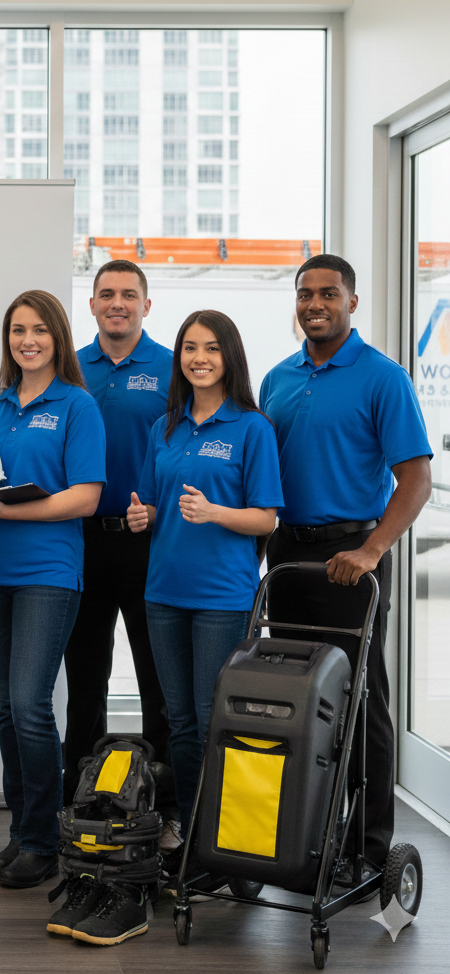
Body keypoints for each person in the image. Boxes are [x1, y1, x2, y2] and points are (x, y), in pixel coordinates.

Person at [259, 254, 431, 876]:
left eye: (328, 293)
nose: (314, 304)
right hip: (288, 559)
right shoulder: (278, 378)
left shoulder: (383, 378)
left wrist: (372, 550)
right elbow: (262, 480)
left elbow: (415, 479)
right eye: (305, 294)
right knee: (296, 701)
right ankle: (302, 834)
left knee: (361, 702)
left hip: (350, 559)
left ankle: (367, 846)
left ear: (352, 302)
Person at [0, 289, 106, 889]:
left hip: (48, 571)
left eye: (40, 330)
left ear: (58, 337)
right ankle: (21, 830)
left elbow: (86, 497)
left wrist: (7, 512)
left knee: (30, 705)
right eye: (18, 330)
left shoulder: (77, 406)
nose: (28, 340)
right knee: (5, 710)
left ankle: (46, 840)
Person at [127, 310, 283, 856]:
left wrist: (216, 512)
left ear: (229, 357)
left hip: (222, 597)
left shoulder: (251, 428)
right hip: (163, 593)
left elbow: (266, 519)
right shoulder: (164, 427)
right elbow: (147, 503)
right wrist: (140, 516)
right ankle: (194, 835)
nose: (199, 358)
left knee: (217, 719)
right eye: (190, 348)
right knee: (181, 722)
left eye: (211, 348)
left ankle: (227, 840)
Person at [63, 259, 175, 823]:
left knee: (159, 684)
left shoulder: (174, 369)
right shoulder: (69, 369)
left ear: (146, 306)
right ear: (92, 305)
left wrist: (159, 509)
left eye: (129, 294)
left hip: (147, 546)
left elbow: (190, 451)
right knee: (85, 684)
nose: (117, 303)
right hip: (79, 542)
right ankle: (80, 807)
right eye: (106, 294)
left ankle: (163, 811)